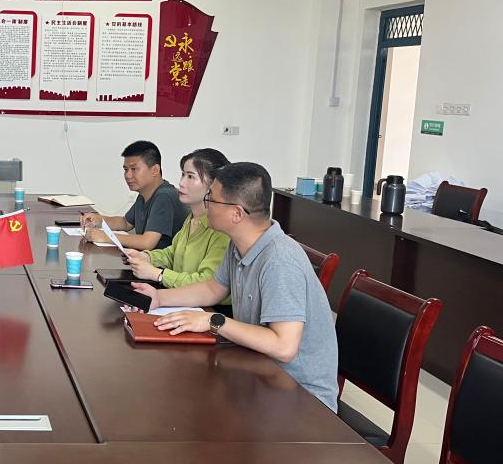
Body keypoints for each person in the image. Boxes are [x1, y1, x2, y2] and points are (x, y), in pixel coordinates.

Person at [127, 162, 339, 411]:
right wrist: (159, 298)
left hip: (300, 396)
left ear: (237, 213)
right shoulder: (239, 244)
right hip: (258, 369)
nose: (206, 204)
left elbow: (284, 347)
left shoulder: (280, 260)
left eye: (211, 199)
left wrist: (213, 322)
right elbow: (213, 289)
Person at [125, 148, 231, 304]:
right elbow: (172, 253)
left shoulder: (221, 230)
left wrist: (158, 274)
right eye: (183, 175)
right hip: (180, 300)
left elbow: (206, 285)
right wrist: (147, 257)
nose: (181, 183)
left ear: (214, 185)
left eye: (190, 177)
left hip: (208, 309)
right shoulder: (191, 219)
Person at [81, 140, 187, 251]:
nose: (128, 175)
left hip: (162, 261)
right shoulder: (144, 194)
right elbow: (126, 223)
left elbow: (147, 242)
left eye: (134, 169)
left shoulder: (164, 196)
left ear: (155, 170)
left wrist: (105, 236)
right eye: (126, 169)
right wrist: (99, 219)